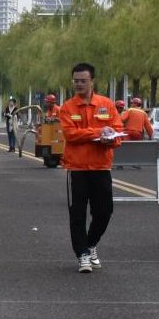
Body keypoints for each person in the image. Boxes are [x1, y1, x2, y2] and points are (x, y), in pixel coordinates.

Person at [59, 62, 123, 273]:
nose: (79, 84)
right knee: (77, 214)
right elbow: (71, 135)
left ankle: (91, 243)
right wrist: (97, 133)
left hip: (101, 167)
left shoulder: (106, 104)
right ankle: (82, 255)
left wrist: (110, 139)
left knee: (104, 212)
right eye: (76, 81)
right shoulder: (68, 107)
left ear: (92, 81)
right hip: (77, 168)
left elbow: (117, 131)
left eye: (83, 81)